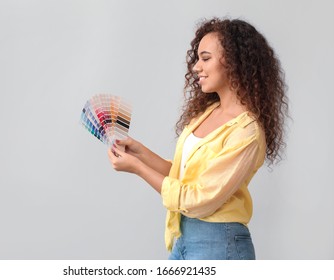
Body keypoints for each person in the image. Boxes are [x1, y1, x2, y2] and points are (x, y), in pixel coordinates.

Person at [107, 17, 288, 260]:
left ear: (234, 62)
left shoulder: (247, 131)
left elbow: (200, 199)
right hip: (184, 236)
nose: (195, 67)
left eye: (205, 58)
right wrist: (140, 153)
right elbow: (183, 178)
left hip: (219, 242)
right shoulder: (207, 113)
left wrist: (138, 169)